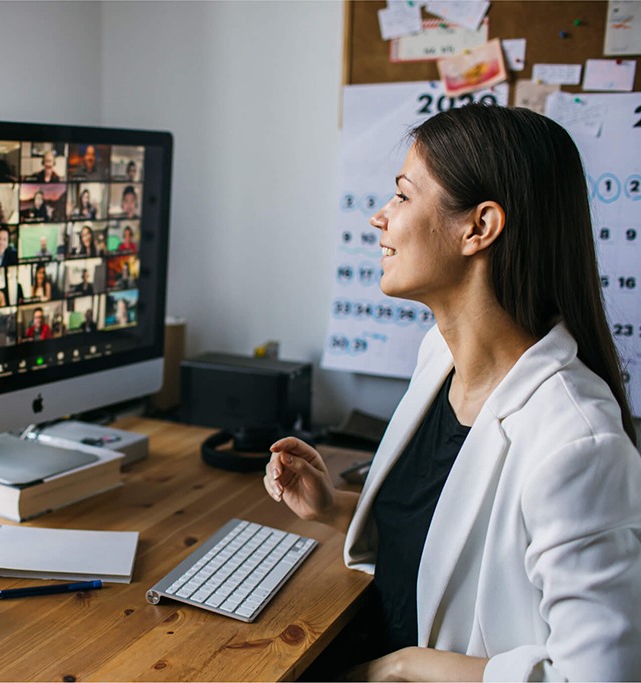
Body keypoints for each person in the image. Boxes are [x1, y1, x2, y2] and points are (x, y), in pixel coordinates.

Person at [264, 105, 641, 682]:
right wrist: (335, 509)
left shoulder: (578, 444)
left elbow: (597, 677)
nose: (379, 218)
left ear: (479, 228)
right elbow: (451, 546)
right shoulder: (439, 357)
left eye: (403, 196)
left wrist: (403, 668)